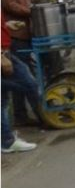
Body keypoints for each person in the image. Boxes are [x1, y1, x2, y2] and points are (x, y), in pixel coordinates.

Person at [1, 0, 46, 126]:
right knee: (24, 79)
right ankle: (35, 116)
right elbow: (8, 4)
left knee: (22, 78)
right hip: (14, 34)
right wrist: (32, 11)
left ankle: (23, 115)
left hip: (24, 32)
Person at [2, 13, 39, 153]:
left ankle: (6, 139)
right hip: (3, 55)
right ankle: (7, 140)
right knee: (28, 83)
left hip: (5, 52)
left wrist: (6, 25)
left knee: (3, 99)